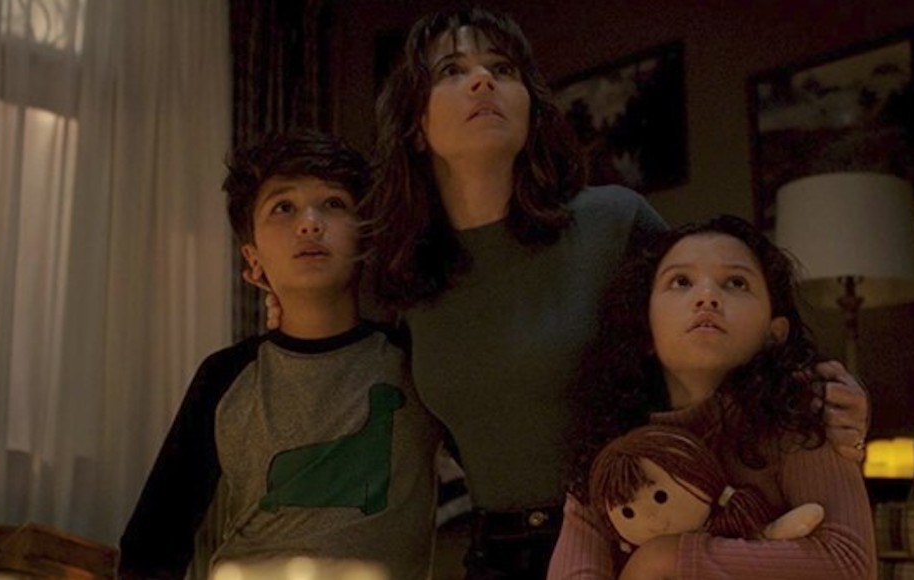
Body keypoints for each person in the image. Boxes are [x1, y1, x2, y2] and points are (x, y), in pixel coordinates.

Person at [268, 7, 870, 578]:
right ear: (416, 125)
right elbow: (338, 364)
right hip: (493, 549)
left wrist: (832, 398)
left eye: (502, 68)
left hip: (632, 537)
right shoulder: (401, 271)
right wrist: (282, 297)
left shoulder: (613, 221)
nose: (482, 81)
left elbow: (725, 326)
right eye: (452, 70)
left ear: (530, 107)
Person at [117, 131, 443, 580]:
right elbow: (152, 543)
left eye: (333, 203)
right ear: (253, 260)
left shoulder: (415, 359)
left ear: (366, 240)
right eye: (283, 207)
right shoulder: (225, 376)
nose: (309, 223)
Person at [548, 216, 876, 579]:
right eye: (681, 281)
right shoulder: (608, 439)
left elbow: (849, 564)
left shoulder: (798, 415)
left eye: (736, 282)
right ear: (645, 330)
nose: (707, 297)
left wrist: (666, 557)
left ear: (774, 332)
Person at [589, 423, 825, 554]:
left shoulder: (726, 528)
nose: (651, 518)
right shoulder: (632, 560)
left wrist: (771, 534)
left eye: (660, 497)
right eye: (628, 512)